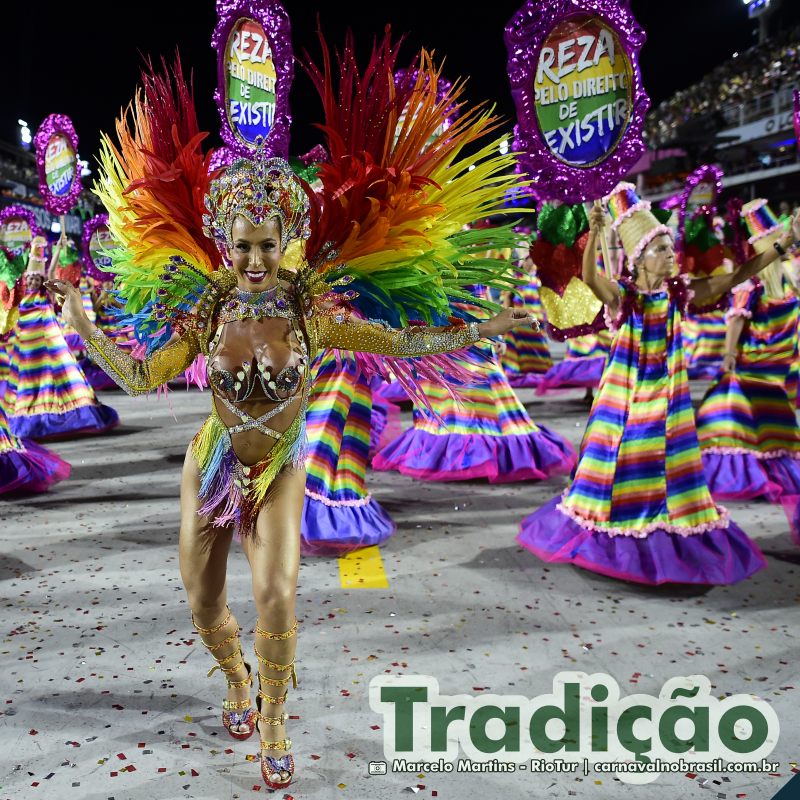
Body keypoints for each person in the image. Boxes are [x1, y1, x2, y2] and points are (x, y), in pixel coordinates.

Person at [47, 51, 534, 790]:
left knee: (276, 592)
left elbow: (400, 341)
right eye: (240, 244)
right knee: (203, 600)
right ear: (223, 241)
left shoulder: (311, 306)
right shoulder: (207, 305)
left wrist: (479, 326)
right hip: (212, 463)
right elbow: (143, 375)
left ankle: (273, 716)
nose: (252, 257)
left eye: (266, 244)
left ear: (286, 241)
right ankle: (237, 678)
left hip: (277, 466)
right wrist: (82, 321)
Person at [517, 183, 800, 585]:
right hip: (625, 397)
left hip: (668, 399)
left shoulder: (680, 294)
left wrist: (780, 246)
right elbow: (589, 277)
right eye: (662, 249)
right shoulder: (622, 295)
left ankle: (663, 521)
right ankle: (618, 524)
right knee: (619, 462)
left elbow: (739, 274)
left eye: (670, 248)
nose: (672, 255)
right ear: (640, 259)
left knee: (665, 465)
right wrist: (596, 231)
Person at [4, 237, 118, 440]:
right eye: (30, 278)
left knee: (61, 373)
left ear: (41, 281)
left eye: (36, 279)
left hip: (50, 346)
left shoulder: (44, 296)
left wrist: (56, 251)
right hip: (29, 350)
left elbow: (51, 271)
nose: (32, 281)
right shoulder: (22, 298)